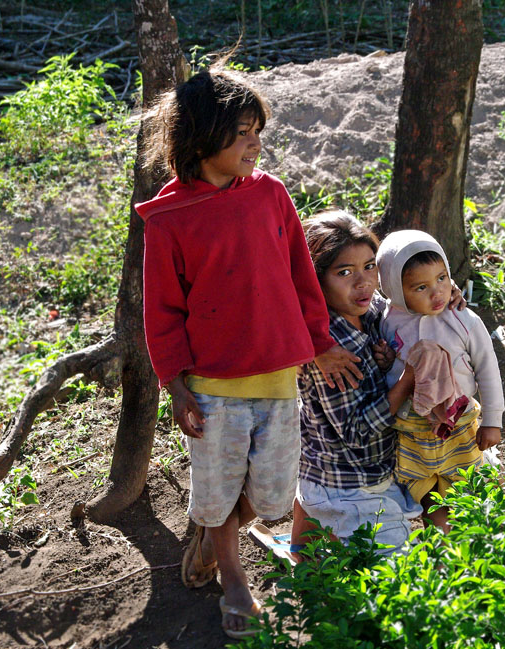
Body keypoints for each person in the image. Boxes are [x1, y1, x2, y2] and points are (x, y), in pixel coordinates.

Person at [137, 64, 359, 639]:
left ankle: (213, 534)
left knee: (270, 494)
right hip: (212, 387)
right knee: (215, 489)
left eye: (257, 130)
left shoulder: (271, 195)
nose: (255, 143)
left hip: (280, 379)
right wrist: (176, 384)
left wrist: (319, 344)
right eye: (241, 132)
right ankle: (233, 577)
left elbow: (301, 278)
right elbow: (161, 310)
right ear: (202, 137)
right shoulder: (169, 217)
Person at [290, 212, 423, 557]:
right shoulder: (334, 350)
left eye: (369, 266)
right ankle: (320, 528)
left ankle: (306, 543)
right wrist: (407, 380)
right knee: (399, 581)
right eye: (344, 272)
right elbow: (356, 431)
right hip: (349, 485)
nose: (363, 282)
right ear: (315, 281)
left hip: (360, 471)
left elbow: (411, 304)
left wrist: (446, 293)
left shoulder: (372, 309)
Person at [376, 230, 504, 532]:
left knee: (467, 484)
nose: (437, 293)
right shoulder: (387, 320)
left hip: (458, 424)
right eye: (421, 287)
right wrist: (387, 362)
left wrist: (492, 421)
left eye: (442, 278)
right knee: (425, 490)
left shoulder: (463, 319)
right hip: (411, 427)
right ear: (395, 289)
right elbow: (397, 367)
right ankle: (444, 543)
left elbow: (488, 369)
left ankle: (478, 537)